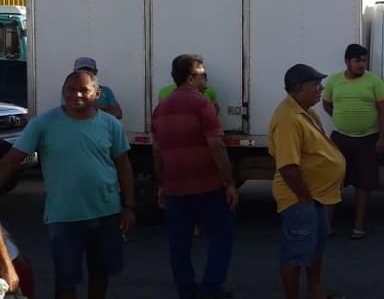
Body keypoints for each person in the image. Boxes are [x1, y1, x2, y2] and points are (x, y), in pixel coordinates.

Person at [0, 70, 135, 299]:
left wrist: (130, 207)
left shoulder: (111, 124)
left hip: (107, 214)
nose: (77, 95)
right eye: (70, 90)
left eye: (84, 90)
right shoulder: (43, 124)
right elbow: (10, 160)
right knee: (66, 279)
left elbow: (123, 166)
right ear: (63, 92)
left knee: (100, 274)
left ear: (97, 94)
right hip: (63, 217)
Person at [152, 54, 237, 299]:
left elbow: (157, 151)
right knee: (221, 233)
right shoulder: (202, 104)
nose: (205, 80)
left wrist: (161, 184)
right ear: (191, 78)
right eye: (203, 75)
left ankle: (186, 290)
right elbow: (216, 145)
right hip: (207, 185)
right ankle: (211, 287)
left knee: (179, 241)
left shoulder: (161, 109)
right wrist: (229, 183)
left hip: (176, 188)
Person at [269, 64, 346, 299]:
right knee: (295, 253)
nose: (321, 88)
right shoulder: (288, 119)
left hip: (316, 195)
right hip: (299, 197)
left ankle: (316, 292)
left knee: (315, 247)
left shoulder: (307, 111)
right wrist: (303, 197)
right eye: (315, 84)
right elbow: (288, 166)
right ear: (299, 88)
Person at [321, 44, 384, 240]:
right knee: (334, 181)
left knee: (363, 184)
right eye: (357, 61)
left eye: (363, 60)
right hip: (340, 138)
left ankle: (358, 225)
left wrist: (382, 138)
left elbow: (383, 110)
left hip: (367, 139)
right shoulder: (334, 81)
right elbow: (326, 103)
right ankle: (328, 225)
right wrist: (341, 117)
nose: (361, 64)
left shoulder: (374, 81)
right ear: (347, 62)